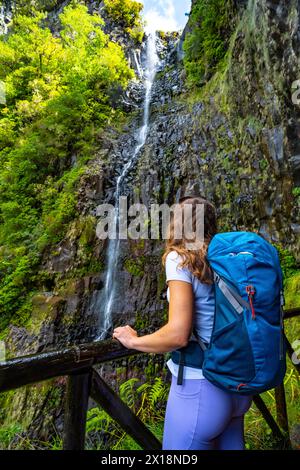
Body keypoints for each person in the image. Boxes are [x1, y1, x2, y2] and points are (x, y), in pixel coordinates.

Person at [112, 196, 253, 450]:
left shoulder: (180, 259)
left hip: (201, 388)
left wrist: (133, 341)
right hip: (237, 386)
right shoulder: (226, 260)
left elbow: (178, 334)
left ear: (178, 223)